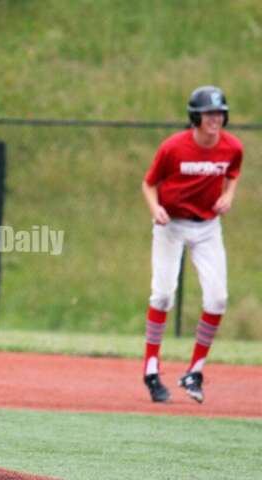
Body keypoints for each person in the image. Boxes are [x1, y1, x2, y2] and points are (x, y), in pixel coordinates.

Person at [140, 85, 243, 404]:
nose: (214, 118)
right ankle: (151, 368)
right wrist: (155, 208)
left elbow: (233, 173)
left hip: (208, 227)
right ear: (195, 116)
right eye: (208, 113)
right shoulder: (174, 147)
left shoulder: (232, 147)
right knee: (163, 293)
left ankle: (195, 370)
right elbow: (149, 183)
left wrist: (228, 196)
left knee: (217, 299)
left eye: (219, 113)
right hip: (171, 224)